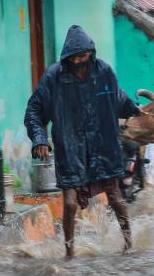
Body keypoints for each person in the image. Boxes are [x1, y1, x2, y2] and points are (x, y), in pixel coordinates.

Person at [24, 25, 140, 259]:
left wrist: (140, 112)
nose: (79, 60)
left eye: (83, 55)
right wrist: (39, 138)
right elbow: (34, 110)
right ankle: (69, 252)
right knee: (69, 203)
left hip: (103, 147)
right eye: (75, 56)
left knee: (115, 197)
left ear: (91, 53)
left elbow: (119, 98)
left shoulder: (104, 71)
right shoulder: (54, 77)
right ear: (67, 56)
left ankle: (129, 245)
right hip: (70, 148)